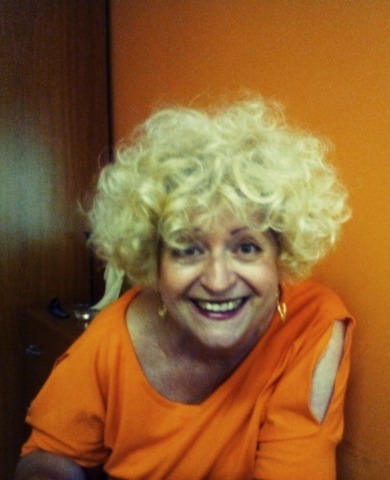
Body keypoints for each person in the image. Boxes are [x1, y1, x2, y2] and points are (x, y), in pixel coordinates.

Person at [15, 96, 354, 480]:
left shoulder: (310, 324)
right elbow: (47, 456)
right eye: (187, 249)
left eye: (246, 248)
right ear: (154, 262)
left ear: (281, 254)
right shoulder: (111, 342)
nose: (217, 281)